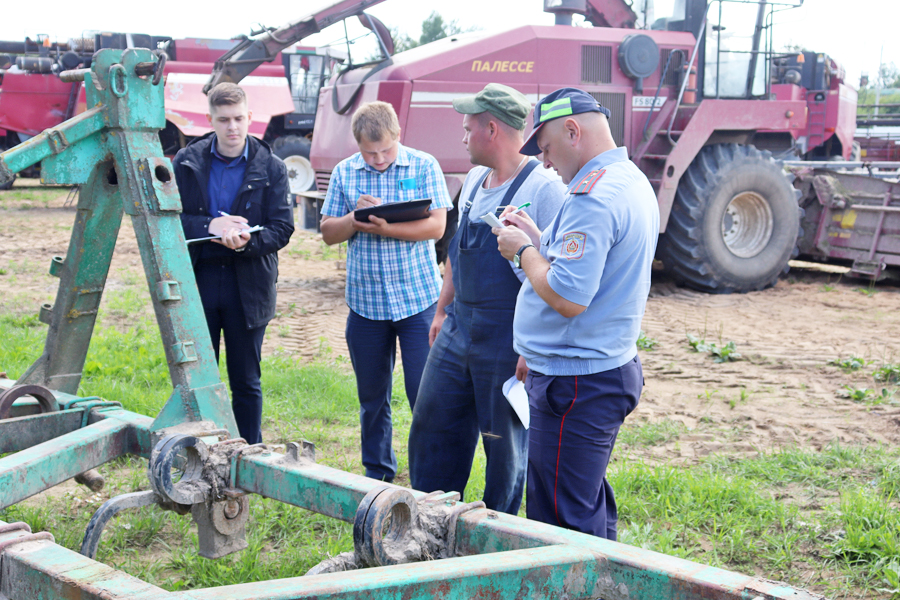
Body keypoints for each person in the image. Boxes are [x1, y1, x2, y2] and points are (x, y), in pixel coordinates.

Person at [494, 87, 659, 539]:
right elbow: (590, 267)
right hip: (595, 371)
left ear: (572, 130)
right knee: (583, 503)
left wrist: (523, 249)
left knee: (561, 522)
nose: (544, 162)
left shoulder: (592, 196)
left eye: (546, 149)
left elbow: (568, 295)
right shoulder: (625, 179)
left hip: (577, 385)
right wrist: (541, 239)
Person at [408, 84, 565, 514]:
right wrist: (442, 310)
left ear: (491, 128)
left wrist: (534, 349)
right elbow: (459, 252)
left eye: (467, 128)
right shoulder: (476, 179)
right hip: (459, 325)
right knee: (432, 425)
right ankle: (428, 523)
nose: (462, 137)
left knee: (505, 447)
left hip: (507, 337)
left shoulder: (546, 189)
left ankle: (497, 536)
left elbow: (557, 277)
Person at [320, 101, 452, 483]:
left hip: (417, 302)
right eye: (369, 152)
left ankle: (430, 476)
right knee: (372, 398)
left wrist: (384, 225)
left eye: (385, 151)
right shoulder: (346, 171)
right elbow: (329, 232)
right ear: (358, 145)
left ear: (398, 136)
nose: (377, 160)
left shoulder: (424, 165)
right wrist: (354, 219)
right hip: (366, 305)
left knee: (422, 395)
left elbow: (437, 228)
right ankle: (377, 474)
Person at [174, 82, 295, 445]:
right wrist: (209, 226)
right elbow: (167, 221)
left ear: (250, 118)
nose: (232, 128)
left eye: (239, 118)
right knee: (198, 378)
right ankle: (200, 447)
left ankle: (248, 454)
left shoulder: (271, 167)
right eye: (223, 120)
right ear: (210, 120)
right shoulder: (187, 162)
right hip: (201, 277)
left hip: (249, 282)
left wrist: (247, 242)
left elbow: (283, 227)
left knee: (245, 380)